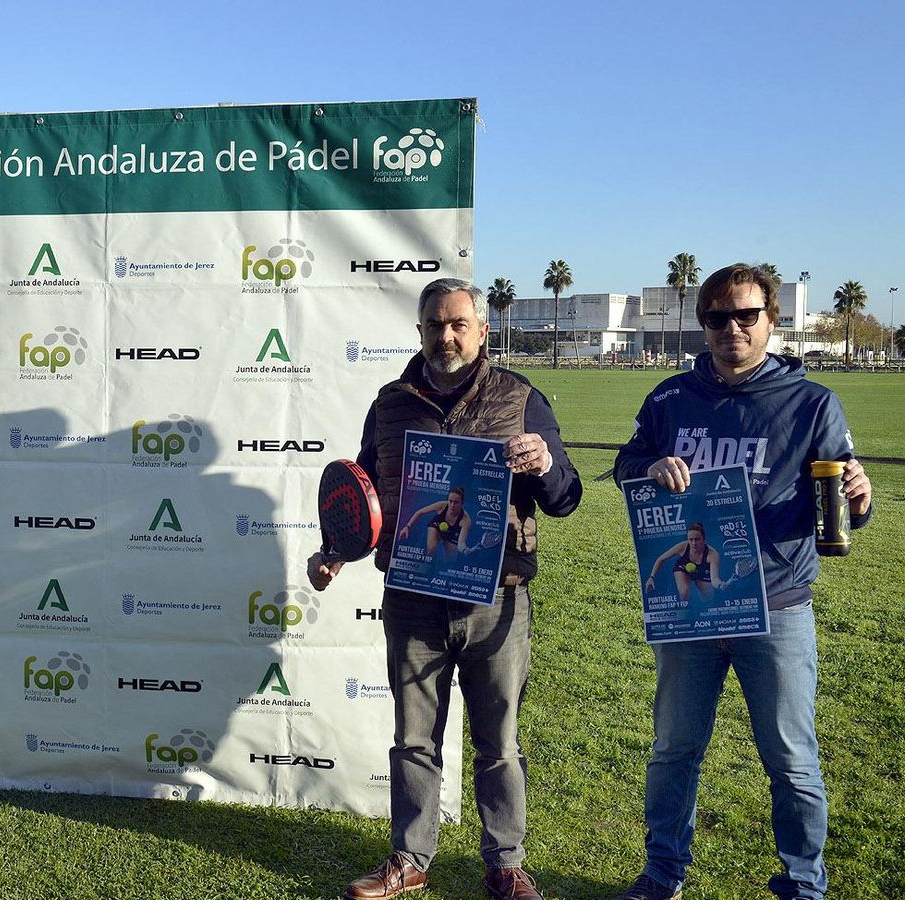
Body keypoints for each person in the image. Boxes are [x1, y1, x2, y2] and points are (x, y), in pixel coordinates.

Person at [308, 278, 582, 900]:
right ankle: (409, 859)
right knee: (413, 740)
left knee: (499, 743)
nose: (447, 335)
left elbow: (565, 497)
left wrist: (543, 464)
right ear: (421, 330)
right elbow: (365, 496)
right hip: (413, 597)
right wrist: (335, 551)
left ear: (482, 330)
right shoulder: (391, 402)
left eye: (459, 323)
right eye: (435, 324)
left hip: (496, 599)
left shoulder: (520, 397)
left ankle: (506, 863)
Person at [612, 263, 873, 900]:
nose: (733, 327)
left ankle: (804, 883)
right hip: (693, 607)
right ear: (703, 324)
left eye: (746, 315)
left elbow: (839, 501)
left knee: (791, 759)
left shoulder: (811, 401)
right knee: (674, 748)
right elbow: (625, 467)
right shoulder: (671, 399)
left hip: (777, 604)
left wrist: (860, 499)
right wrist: (652, 465)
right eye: (718, 317)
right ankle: (662, 872)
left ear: (770, 321)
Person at [644, 522, 722, 603]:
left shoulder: (712, 554)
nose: (694, 543)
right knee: (684, 593)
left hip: (702, 571)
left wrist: (720, 585)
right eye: (691, 539)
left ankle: (704, 611)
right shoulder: (682, 547)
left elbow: (714, 578)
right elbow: (661, 559)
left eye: (697, 539)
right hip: (682, 568)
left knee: (708, 595)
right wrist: (651, 577)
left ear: (704, 539)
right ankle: (685, 613)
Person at [398, 486, 472, 560]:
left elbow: (461, 543)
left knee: (451, 559)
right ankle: (427, 567)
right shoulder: (441, 505)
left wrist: (465, 550)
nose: (452, 505)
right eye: (450, 501)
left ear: (462, 503)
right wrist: (407, 527)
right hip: (436, 525)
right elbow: (419, 512)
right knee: (431, 548)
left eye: (456, 502)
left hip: (452, 532)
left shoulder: (465, 520)